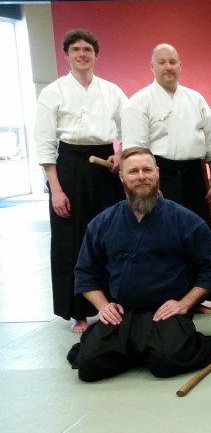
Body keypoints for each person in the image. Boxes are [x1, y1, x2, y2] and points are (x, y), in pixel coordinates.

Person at [68, 147, 211, 382]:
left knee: (166, 362)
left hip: (165, 311)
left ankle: (184, 343)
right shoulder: (103, 222)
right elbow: (85, 272)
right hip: (122, 312)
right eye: (133, 171)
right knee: (89, 366)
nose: (141, 176)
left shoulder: (184, 219)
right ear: (122, 176)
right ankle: (140, 348)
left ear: (157, 173)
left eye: (147, 170)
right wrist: (104, 306)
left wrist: (185, 303)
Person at [35, 29, 127, 333]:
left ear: (96, 54)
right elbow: (45, 142)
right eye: (76, 49)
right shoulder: (53, 92)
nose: (82, 54)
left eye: (88, 49)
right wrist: (55, 189)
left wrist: (121, 154)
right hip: (69, 167)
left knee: (110, 236)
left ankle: (114, 301)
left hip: (104, 166)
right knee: (70, 239)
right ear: (67, 55)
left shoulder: (111, 90)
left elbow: (128, 127)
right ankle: (79, 312)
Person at [122, 43, 211, 313]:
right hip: (157, 174)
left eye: (173, 62)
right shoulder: (138, 102)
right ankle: (165, 295)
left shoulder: (195, 99)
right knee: (163, 236)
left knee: (196, 234)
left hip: (192, 173)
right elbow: (133, 150)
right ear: (151, 66)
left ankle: (195, 297)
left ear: (180, 65)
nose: (168, 67)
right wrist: (147, 182)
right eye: (162, 62)